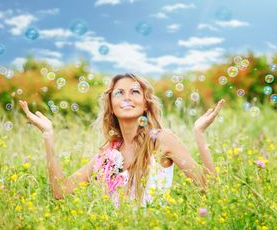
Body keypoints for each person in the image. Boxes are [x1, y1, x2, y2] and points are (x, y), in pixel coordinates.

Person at [19, 73, 225, 207]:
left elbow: (210, 189)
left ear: (146, 104)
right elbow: (60, 191)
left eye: (135, 91)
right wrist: (48, 136)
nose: (127, 97)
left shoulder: (161, 140)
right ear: (111, 104)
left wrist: (200, 134)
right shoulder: (109, 151)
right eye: (119, 93)